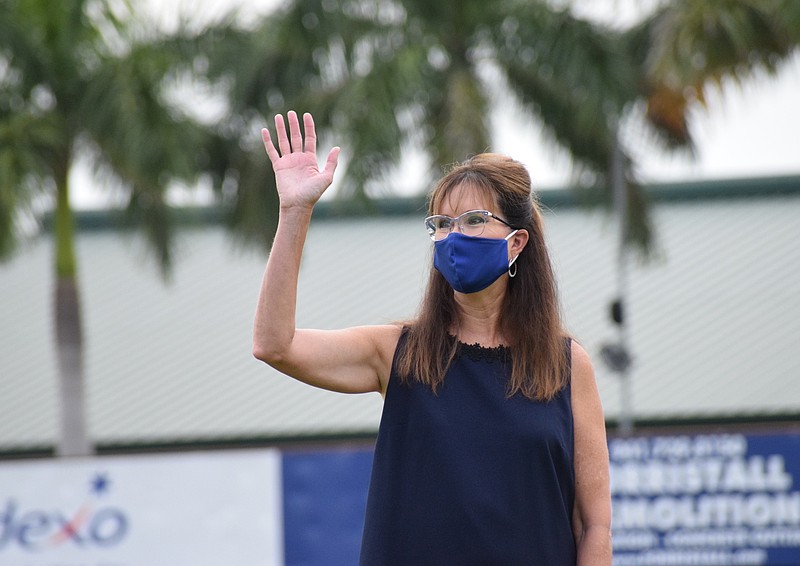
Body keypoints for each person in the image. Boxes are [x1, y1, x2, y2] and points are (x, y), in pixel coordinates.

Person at [254, 110, 612, 565]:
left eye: (473, 220)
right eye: (441, 224)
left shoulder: (567, 365)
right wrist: (294, 212)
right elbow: (274, 344)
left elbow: (594, 524)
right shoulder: (398, 352)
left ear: (517, 242)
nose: (453, 236)